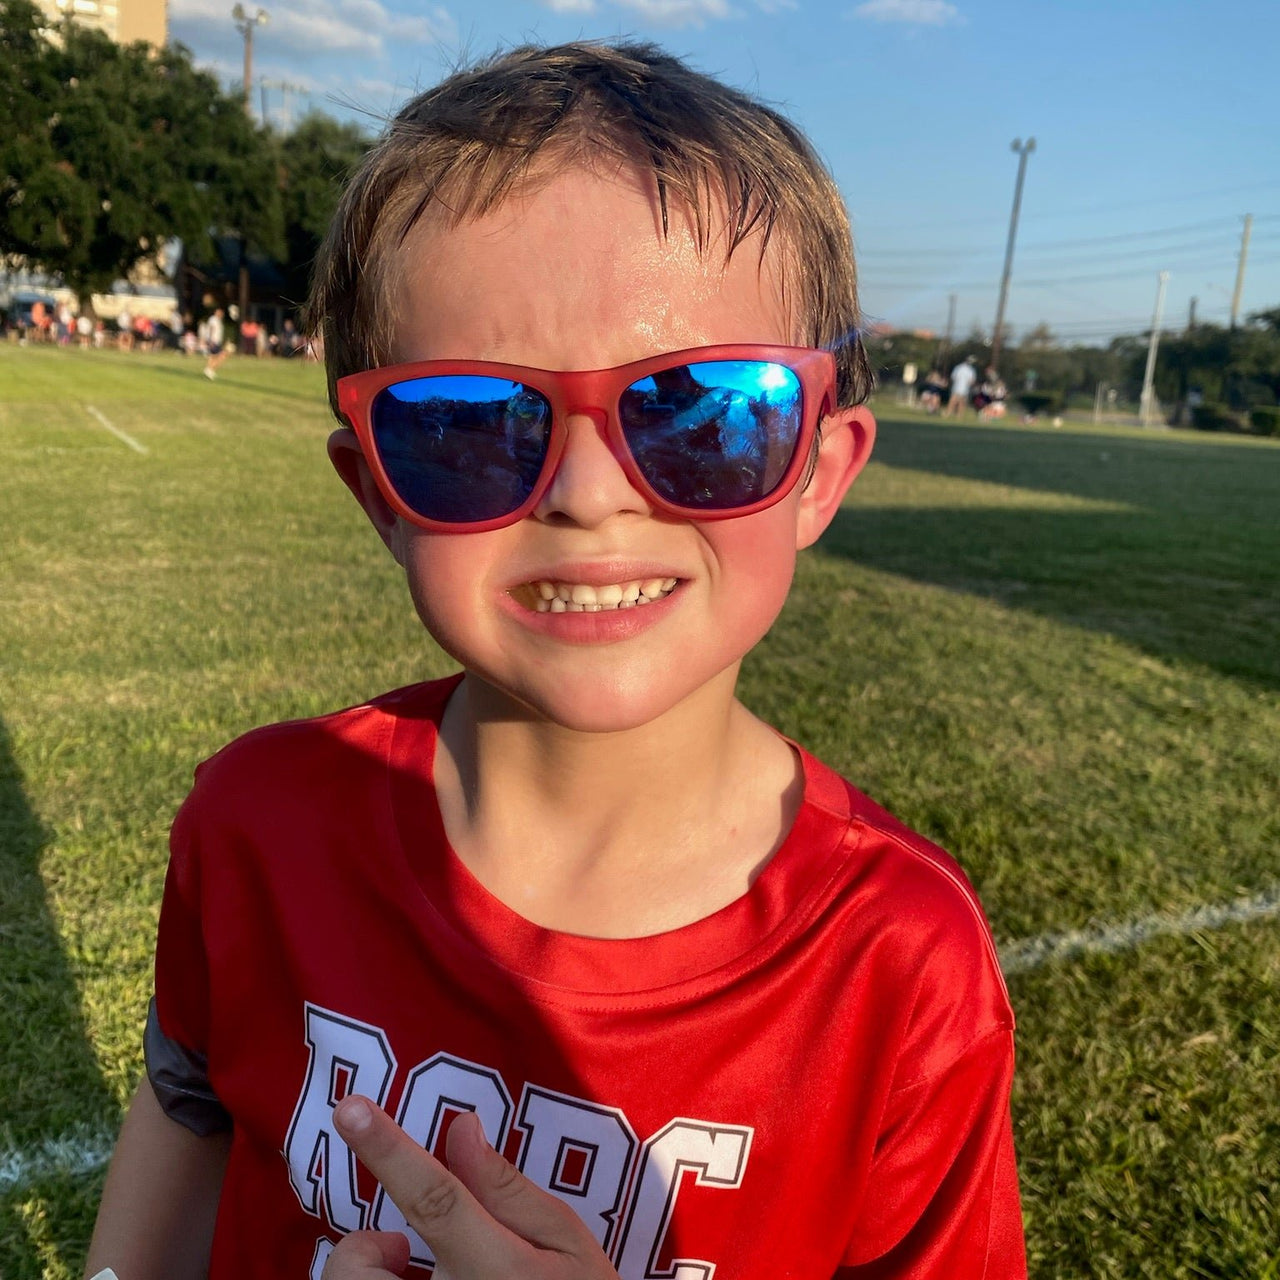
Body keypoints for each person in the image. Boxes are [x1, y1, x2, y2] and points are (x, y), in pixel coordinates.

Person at [85, 41, 1025, 1280]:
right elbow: (189, 1101)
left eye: (702, 412)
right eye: (469, 425)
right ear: (379, 493)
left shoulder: (897, 963)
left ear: (818, 469)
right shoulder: (257, 820)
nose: (588, 495)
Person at [203, 307, 228, 380]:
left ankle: (210, 370)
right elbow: (212, 329)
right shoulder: (213, 319)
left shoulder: (218, 320)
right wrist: (210, 340)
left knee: (213, 356)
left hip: (216, 340)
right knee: (222, 355)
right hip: (214, 341)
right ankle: (209, 370)